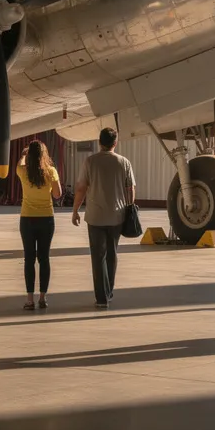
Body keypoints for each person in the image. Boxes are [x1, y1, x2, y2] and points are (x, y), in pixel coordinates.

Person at [71, 127, 135, 309]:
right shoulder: (124, 162)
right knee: (112, 255)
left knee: (98, 257)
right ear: (115, 143)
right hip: (117, 215)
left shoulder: (90, 162)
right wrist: (129, 208)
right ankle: (109, 292)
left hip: (95, 217)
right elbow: (130, 189)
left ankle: (101, 298)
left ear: (99, 142)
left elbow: (81, 188)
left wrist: (75, 210)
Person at [19, 140, 62, 310]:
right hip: (46, 219)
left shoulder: (23, 171)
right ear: (44, 155)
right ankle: (43, 297)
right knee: (44, 258)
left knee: (29, 259)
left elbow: (20, 163)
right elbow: (57, 194)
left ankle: (29, 299)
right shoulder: (51, 171)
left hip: (27, 218)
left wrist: (24, 154)